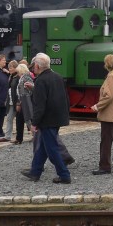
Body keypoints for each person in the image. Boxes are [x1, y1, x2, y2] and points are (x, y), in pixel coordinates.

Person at [21, 53, 71, 184]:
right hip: (58, 118)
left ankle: (64, 175)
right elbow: (65, 98)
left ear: (37, 66)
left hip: (47, 120)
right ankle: (35, 172)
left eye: (34, 66)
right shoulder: (58, 77)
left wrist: (34, 123)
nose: (33, 68)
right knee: (43, 147)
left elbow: (40, 105)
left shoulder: (40, 81)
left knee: (52, 149)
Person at [0, 60, 19, 142]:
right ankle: (7, 136)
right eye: (9, 67)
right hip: (11, 101)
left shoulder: (18, 77)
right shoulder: (11, 77)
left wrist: (18, 102)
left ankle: (35, 133)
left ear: (15, 68)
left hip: (17, 101)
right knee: (9, 118)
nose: (9, 69)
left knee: (27, 119)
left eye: (11, 67)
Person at [13, 63, 31, 144]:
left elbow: (25, 91)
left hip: (25, 102)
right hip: (23, 101)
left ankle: (37, 136)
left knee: (28, 120)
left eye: (18, 72)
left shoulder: (26, 78)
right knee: (20, 120)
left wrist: (19, 103)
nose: (17, 74)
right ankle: (19, 138)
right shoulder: (22, 78)